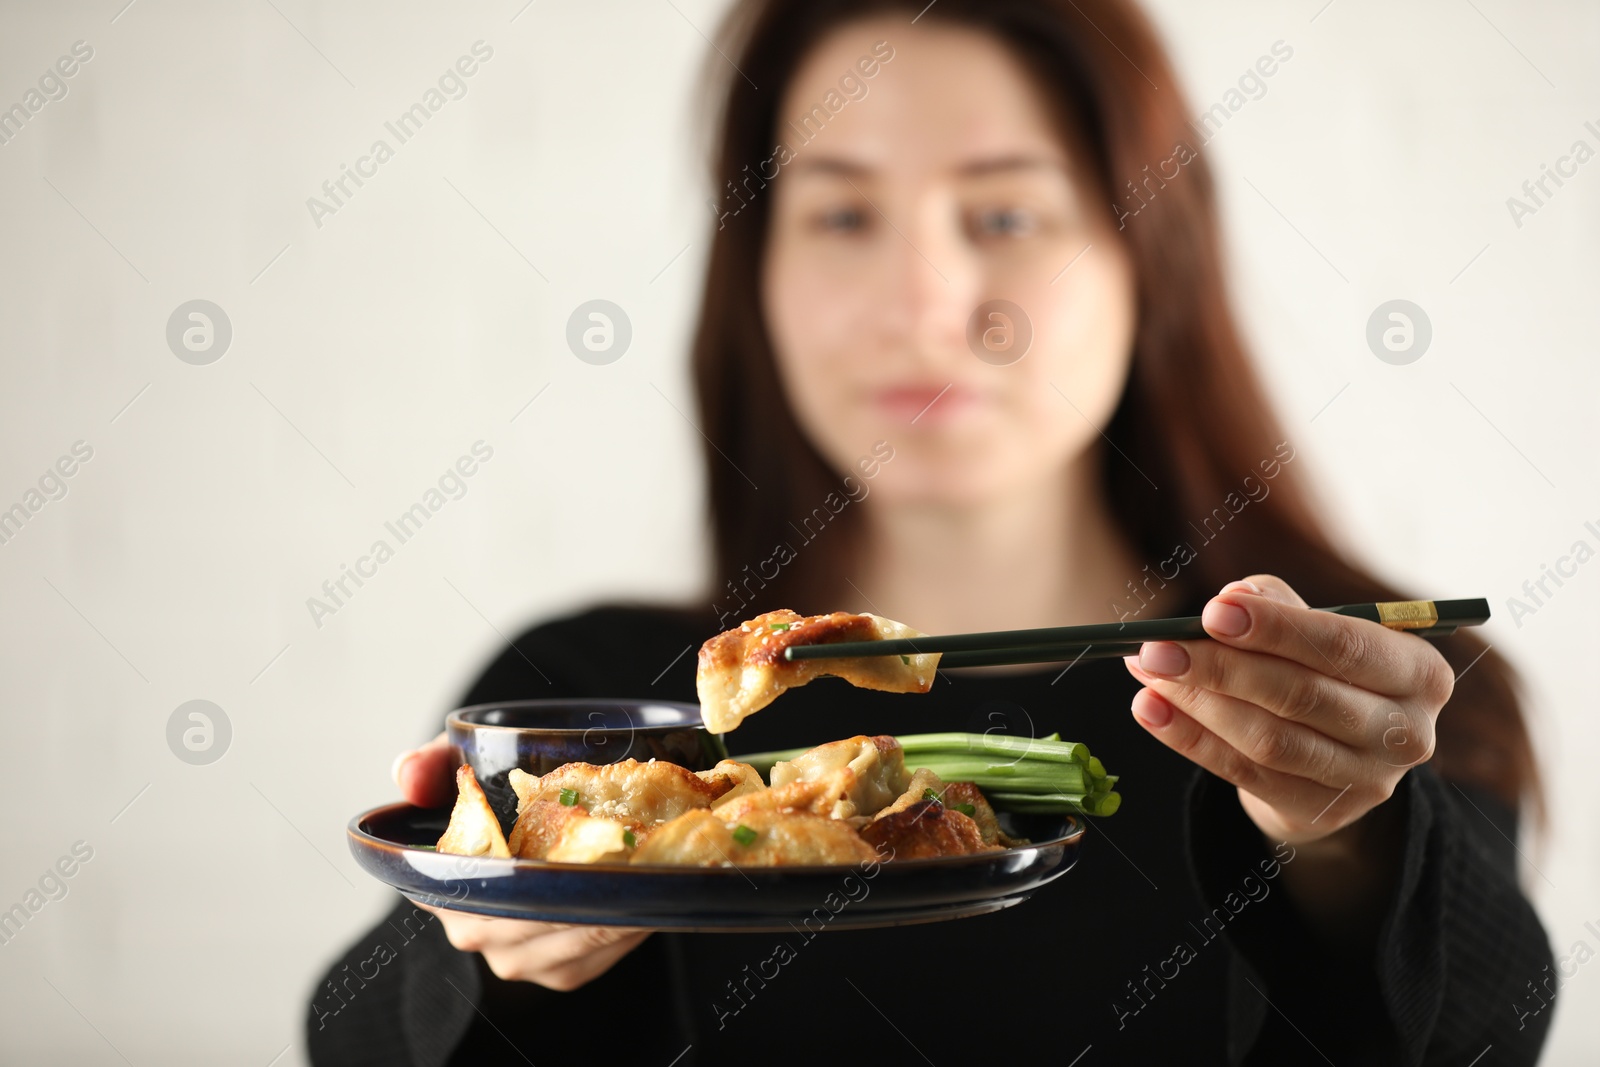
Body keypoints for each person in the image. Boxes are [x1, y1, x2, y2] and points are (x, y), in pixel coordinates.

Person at [309, 1, 1555, 1062]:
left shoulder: (1332, 686)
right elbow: (351, 1035)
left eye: (1006, 215)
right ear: (756, 278)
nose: (925, 302)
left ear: (1147, 258)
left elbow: (1489, 1021)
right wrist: (495, 937)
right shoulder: (585, 706)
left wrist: (1341, 833)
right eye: (843, 216)